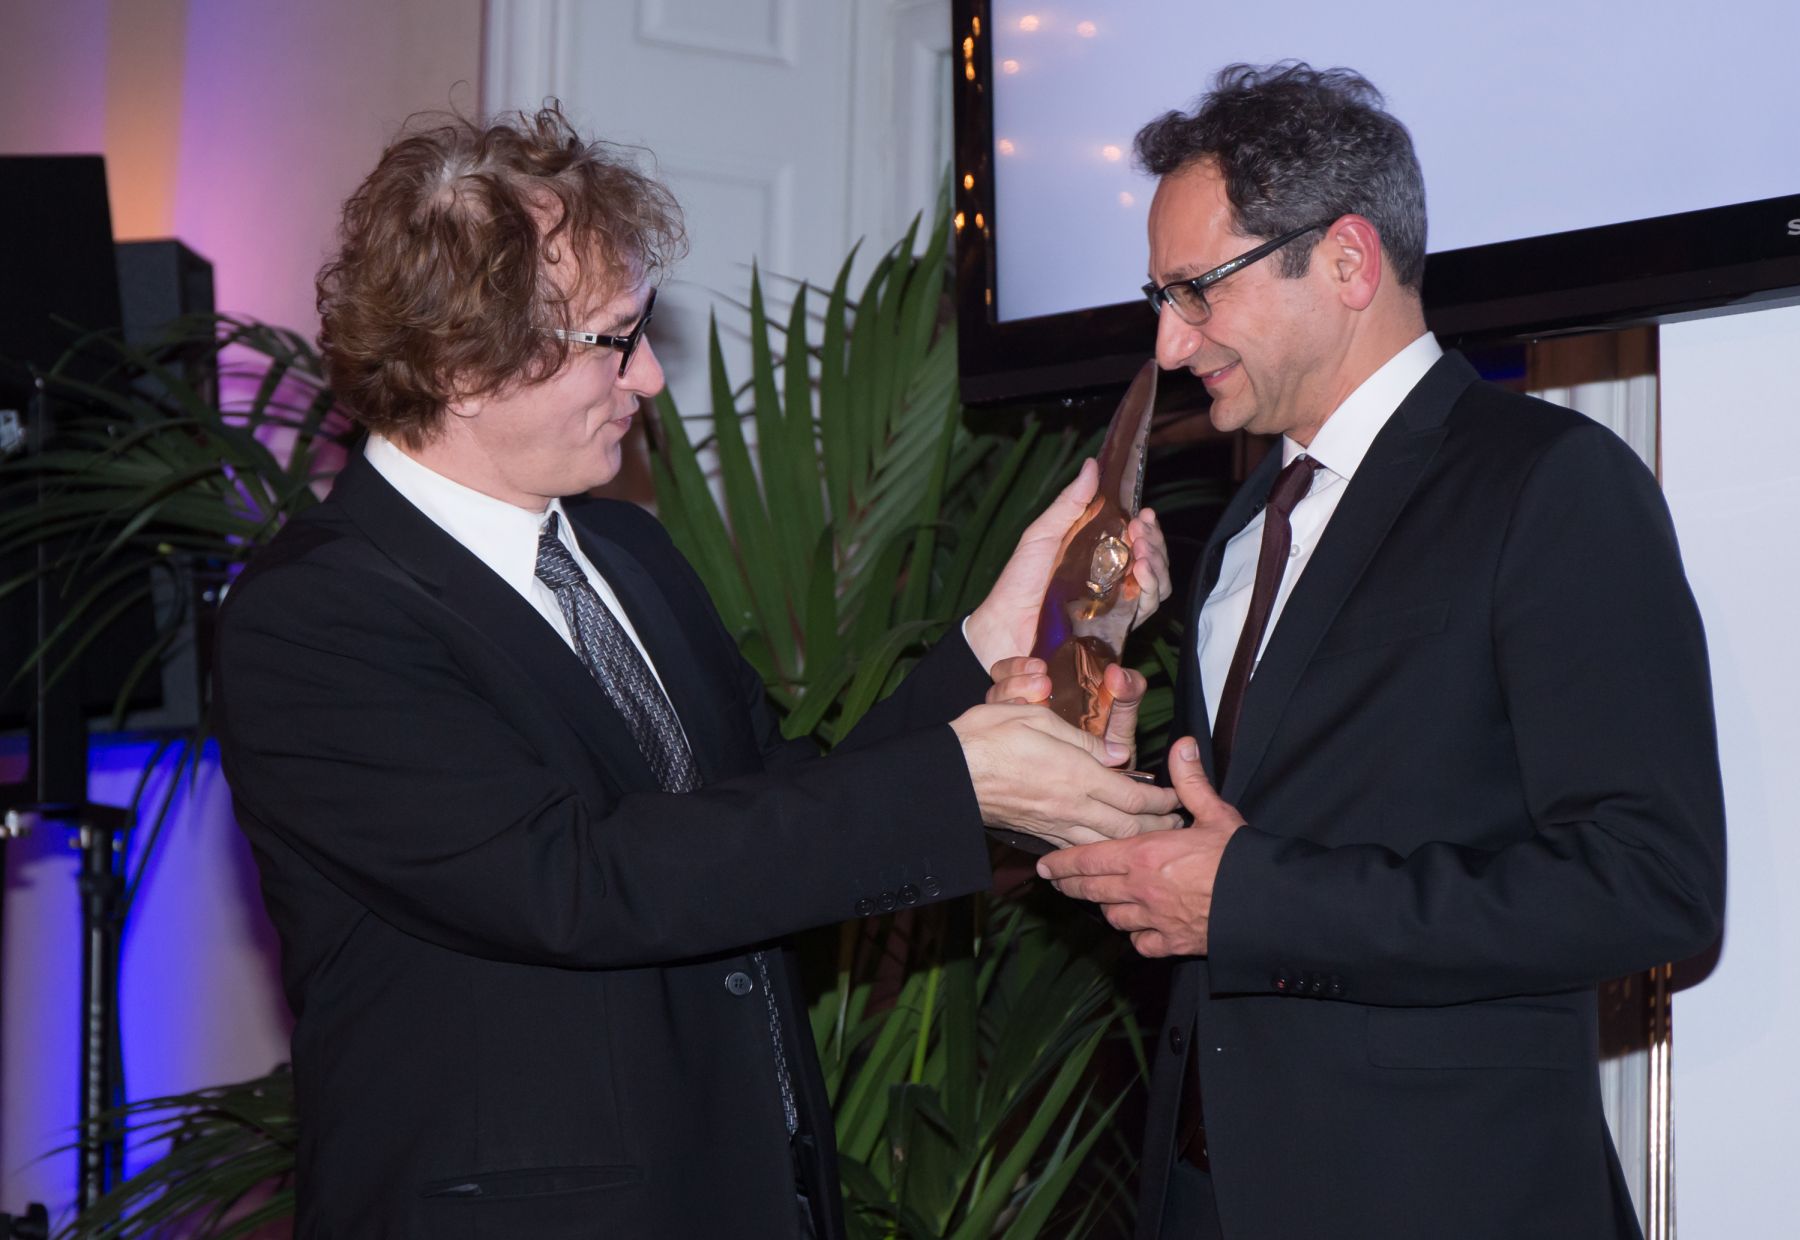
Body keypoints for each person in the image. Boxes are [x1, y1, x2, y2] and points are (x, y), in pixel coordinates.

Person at [211, 104, 1179, 1239]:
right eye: (614, 340)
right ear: (464, 367)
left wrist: (993, 639)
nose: (651, 378)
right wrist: (959, 782)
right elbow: (576, 883)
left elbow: (773, 806)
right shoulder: (316, 616)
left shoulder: (626, 549)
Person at [1028, 64, 1725, 1239]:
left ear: (1348, 261)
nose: (1168, 341)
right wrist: (1112, 775)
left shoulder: (1550, 482)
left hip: (1439, 1196)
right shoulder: (1241, 526)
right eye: (1160, 295)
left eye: (1197, 291)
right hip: (1207, 1196)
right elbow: (1265, 826)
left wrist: (1252, 899)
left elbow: (1651, 884)